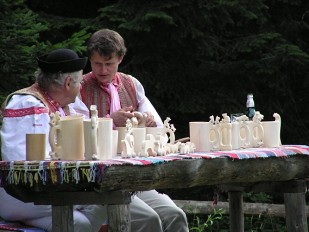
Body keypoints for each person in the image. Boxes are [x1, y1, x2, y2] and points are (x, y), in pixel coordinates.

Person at [79, 28, 189, 232]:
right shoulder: (79, 87)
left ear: (121, 58)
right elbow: (76, 132)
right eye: (97, 64)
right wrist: (110, 120)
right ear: (90, 60)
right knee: (149, 220)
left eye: (109, 64)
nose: (102, 70)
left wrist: (146, 122)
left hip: (133, 177)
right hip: (99, 181)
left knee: (176, 215)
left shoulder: (131, 84)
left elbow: (158, 128)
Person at [0, 48, 106, 232]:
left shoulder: (62, 104)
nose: (81, 87)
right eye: (80, 82)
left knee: (94, 211)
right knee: (102, 202)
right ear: (68, 83)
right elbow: (22, 163)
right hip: (20, 194)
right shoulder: (28, 103)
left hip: (46, 190)